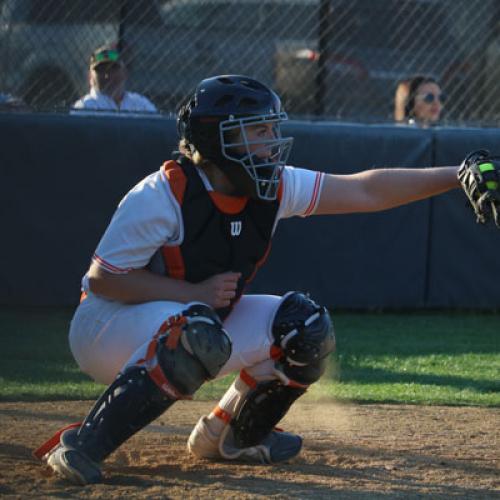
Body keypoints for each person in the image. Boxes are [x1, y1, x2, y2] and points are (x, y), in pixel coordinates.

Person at [38, 74, 464, 485]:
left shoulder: (273, 186)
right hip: (104, 327)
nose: (270, 142)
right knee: (195, 330)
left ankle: (229, 436)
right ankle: (82, 444)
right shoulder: (162, 193)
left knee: (305, 326)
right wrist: (192, 294)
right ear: (214, 138)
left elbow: (366, 191)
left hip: (192, 320)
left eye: (269, 128)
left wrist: (457, 175)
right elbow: (103, 282)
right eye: (256, 130)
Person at [71, 43, 158, 115]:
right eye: (101, 70)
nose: (107, 75)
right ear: (90, 77)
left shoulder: (141, 104)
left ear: (125, 73)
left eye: (113, 69)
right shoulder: (84, 107)